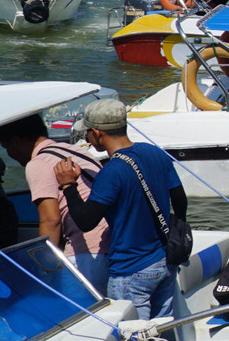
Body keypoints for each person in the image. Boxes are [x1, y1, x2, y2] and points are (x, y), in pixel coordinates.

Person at [53, 99, 186, 321]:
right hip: (164, 262)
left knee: (132, 339)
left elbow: (86, 221)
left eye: (88, 134)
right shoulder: (154, 153)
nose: (88, 139)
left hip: (131, 269)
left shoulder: (112, 172)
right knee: (162, 330)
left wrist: (68, 185)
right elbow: (180, 201)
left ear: (96, 132)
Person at [0, 113, 110, 292]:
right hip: (111, 243)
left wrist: (45, 269)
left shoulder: (38, 163)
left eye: (6, 146)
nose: (9, 154)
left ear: (17, 141)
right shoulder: (75, 151)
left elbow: (51, 220)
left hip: (87, 252)